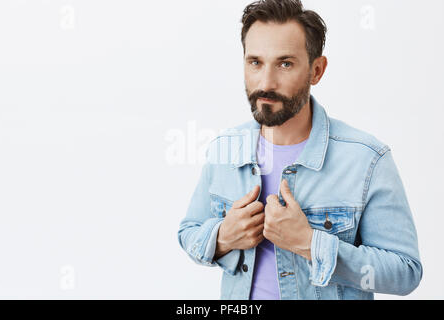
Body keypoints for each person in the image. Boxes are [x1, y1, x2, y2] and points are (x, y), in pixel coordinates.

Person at [177, 0, 422, 300]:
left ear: (316, 70)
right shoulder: (224, 149)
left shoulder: (367, 160)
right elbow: (189, 231)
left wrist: (309, 243)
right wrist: (222, 238)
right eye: (255, 62)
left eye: (285, 64)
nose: (266, 83)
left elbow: (406, 272)